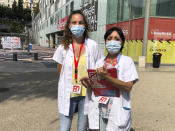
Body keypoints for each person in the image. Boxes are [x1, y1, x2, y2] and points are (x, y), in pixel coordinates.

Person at [53, 10, 103, 131]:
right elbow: (60, 69)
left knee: (82, 128)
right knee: (64, 128)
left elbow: (100, 68)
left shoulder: (93, 45)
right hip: (68, 93)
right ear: (69, 26)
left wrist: (93, 82)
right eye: (74, 22)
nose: (77, 26)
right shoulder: (62, 48)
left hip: (86, 94)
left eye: (80, 23)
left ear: (85, 26)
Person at [83, 27, 139, 131]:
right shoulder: (99, 62)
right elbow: (97, 87)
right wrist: (88, 84)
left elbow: (128, 87)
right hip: (102, 105)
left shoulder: (127, 61)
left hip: (118, 107)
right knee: (101, 128)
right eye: (109, 38)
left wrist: (107, 77)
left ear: (122, 43)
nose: (112, 41)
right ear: (105, 42)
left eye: (117, 39)